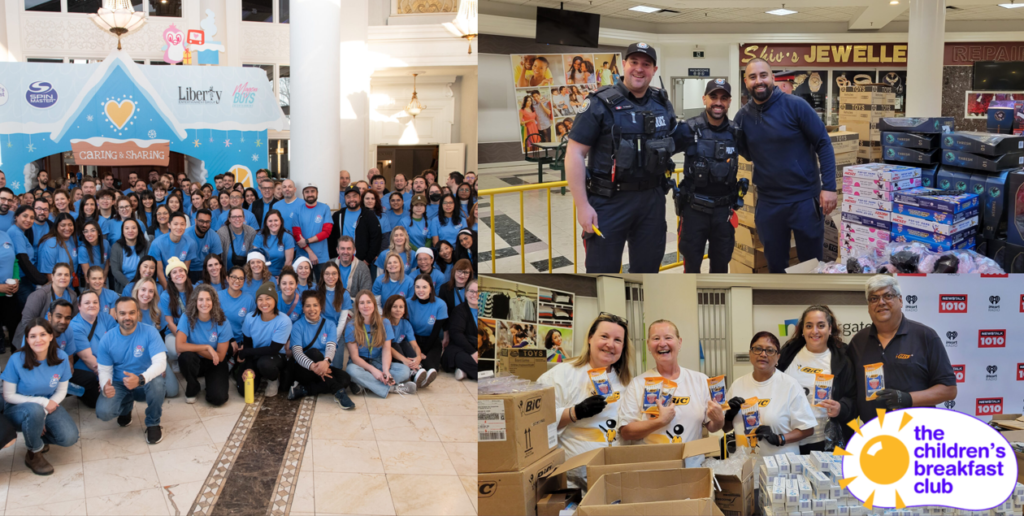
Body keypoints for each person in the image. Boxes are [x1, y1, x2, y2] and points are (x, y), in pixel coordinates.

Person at [566, 43, 678, 273]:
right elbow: (574, 153)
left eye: (646, 64)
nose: (639, 69)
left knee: (648, 273)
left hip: (652, 201)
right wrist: (582, 206)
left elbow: (675, 140)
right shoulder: (598, 103)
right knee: (602, 272)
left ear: (654, 69)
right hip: (608, 201)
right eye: (634, 62)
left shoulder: (662, 104)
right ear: (624, 65)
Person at [736, 58, 837, 272]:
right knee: (775, 266)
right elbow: (745, 151)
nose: (759, 81)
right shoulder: (742, 117)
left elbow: (823, 143)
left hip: (804, 201)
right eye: (752, 77)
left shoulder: (796, 106)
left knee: (811, 264)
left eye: (763, 75)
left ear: (773, 78)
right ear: (746, 82)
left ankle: (812, 304)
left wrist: (829, 187)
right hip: (769, 203)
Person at [536, 313, 632, 485]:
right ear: (590, 338)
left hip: (615, 477)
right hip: (571, 480)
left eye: (618, 340)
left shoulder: (628, 383)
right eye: (604, 336)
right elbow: (536, 423)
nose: (610, 344)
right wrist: (575, 412)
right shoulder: (560, 375)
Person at [847, 276, 957, 424]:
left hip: (917, 434)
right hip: (874, 435)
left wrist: (907, 398)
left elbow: (949, 390)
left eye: (888, 296)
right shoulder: (858, 341)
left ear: (900, 300)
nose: (881, 302)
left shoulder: (925, 336)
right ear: (868, 306)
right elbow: (851, 392)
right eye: (874, 298)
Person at [619, 320, 724, 462]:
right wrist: (660, 421)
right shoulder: (638, 384)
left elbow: (712, 427)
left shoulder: (700, 380)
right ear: (648, 345)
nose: (662, 343)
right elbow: (626, 432)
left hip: (692, 470)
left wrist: (719, 419)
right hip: (651, 472)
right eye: (656, 338)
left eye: (668, 337)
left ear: (679, 342)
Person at [675, 79, 745, 273]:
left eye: (723, 98)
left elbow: (759, 155)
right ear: (704, 98)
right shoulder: (688, 129)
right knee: (691, 268)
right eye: (713, 97)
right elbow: (663, 152)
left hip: (724, 212)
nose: (718, 102)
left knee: (721, 267)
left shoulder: (736, 132)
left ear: (730, 101)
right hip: (694, 211)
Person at [1, 318, 79, 475]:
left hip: (47, 406)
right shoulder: (17, 359)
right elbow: (8, 395)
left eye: (43, 334)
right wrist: (42, 404)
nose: (38, 340)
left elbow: (62, 391)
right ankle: (33, 453)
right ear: (27, 340)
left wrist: (43, 412)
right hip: (17, 408)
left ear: (51, 336)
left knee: (69, 437)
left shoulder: (61, 357)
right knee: (35, 411)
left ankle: (35, 436)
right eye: (33, 336)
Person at [777, 305, 856, 453]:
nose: (814, 331)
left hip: (824, 441)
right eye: (809, 326)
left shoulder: (843, 359)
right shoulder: (787, 354)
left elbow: (854, 398)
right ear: (802, 330)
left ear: (830, 329)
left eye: (821, 325)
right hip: (788, 438)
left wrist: (841, 407)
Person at [723, 332, 817, 457]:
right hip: (745, 465)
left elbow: (807, 429)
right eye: (757, 349)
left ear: (778, 357)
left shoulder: (790, 385)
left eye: (770, 350)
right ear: (750, 353)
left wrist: (779, 438)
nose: (763, 354)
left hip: (780, 466)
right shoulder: (737, 385)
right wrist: (729, 416)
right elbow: (726, 428)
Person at [94, 297, 168, 444]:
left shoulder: (150, 332)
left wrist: (140, 379)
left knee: (158, 383)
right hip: (119, 383)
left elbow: (160, 363)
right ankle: (126, 408)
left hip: (144, 381)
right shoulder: (107, 339)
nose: (127, 317)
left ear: (138, 313)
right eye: (122, 313)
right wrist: (105, 386)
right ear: (115, 315)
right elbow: (104, 369)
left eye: (131, 312)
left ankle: (153, 423)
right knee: (104, 412)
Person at [286, 290, 355, 409]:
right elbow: (297, 353)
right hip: (302, 369)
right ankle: (338, 392)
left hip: (323, 365)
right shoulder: (297, 326)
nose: (312, 309)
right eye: (308, 306)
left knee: (345, 379)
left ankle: (303, 390)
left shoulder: (329, 324)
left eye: (315, 305)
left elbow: (331, 347)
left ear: (320, 307)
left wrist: (326, 362)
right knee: (315, 353)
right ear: (303, 308)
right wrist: (313, 366)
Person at [344, 290, 414, 397]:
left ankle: (366, 383)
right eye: (362, 303)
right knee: (350, 371)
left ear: (374, 304)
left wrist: (386, 371)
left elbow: (386, 349)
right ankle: (392, 388)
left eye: (368, 302)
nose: (365, 306)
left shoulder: (385, 322)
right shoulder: (351, 326)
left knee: (404, 371)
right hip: (360, 363)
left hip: (379, 360)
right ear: (357, 306)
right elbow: (354, 358)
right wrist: (374, 371)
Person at [175, 285, 231, 406]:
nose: (204, 303)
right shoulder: (186, 317)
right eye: (200, 299)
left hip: (214, 361)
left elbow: (220, 356)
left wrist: (194, 348)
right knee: (186, 357)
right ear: (195, 301)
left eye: (208, 299)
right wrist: (206, 347)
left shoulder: (223, 321)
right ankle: (193, 385)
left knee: (219, 399)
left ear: (214, 302)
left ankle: (211, 383)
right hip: (194, 361)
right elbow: (179, 346)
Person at [234, 282, 291, 398]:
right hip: (255, 355)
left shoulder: (284, 321)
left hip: (275, 357)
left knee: (265, 364)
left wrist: (245, 352)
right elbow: (248, 344)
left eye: (268, 299)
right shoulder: (250, 318)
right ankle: (256, 373)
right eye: (260, 299)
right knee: (244, 391)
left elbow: (273, 350)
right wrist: (249, 367)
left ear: (275, 301)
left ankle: (273, 379)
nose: (264, 303)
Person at [66, 292, 114, 409]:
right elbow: (88, 358)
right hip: (89, 369)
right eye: (87, 303)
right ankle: (79, 392)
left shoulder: (106, 318)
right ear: (79, 306)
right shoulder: (75, 326)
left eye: (95, 302)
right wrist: (105, 378)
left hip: (108, 364)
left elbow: (117, 344)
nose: (91, 305)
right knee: (99, 403)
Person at [13, 263, 77, 347]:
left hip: (60, 339)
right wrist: (42, 337)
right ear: (52, 277)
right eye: (59, 274)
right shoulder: (39, 295)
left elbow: (74, 319)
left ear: (70, 278)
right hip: (35, 340)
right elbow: (27, 321)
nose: (63, 277)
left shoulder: (72, 295)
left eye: (66, 275)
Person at [383, 294, 434, 388]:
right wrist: (405, 360)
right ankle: (415, 372)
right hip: (386, 354)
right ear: (388, 308)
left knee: (405, 344)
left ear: (404, 310)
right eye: (394, 307)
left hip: (401, 354)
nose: (398, 310)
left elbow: (414, 345)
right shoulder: (385, 322)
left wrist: (418, 357)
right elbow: (386, 347)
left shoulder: (405, 323)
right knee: (395, 344)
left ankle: (418, 370)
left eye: (401, 307)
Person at [329, 186, 381, 271]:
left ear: (360, 198)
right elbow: (331, 240)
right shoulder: (337, 215)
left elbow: (376, 239)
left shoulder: (369, 215)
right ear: (345, 198)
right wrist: (334, 259)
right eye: (348, 197)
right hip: (340, 262)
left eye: (354, 196)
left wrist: (367, 261)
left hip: (362, 262)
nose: (351, 199)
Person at [406, 274, 447, 378]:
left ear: (431, 288)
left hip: (431, 341)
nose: (421, 290)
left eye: (424, 287)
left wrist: (423, 352)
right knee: (414, 364)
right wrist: (418, 353)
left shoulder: (440, 304)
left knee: (431, 367)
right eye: (417, 287)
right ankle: (416, 375)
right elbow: (407, 329)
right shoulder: (407, 303)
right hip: (413, 341)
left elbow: (436, 331)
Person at [287, 184, 333, 273]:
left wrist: (307, 241)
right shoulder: (297, 210)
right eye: (307, 192)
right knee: (304, 285)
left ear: (317, 193)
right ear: (303, 194)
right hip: (303, 257)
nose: (310, 194)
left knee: (322, 285)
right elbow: (297, 236)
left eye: (312, 191)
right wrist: (310, 252)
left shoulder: (325, 208)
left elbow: (326, 232)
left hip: (321, 257)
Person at [443, 278, 478, 381]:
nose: (474, 294)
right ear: (466, 293)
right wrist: (473, 353)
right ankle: (484, 376)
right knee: (462, 358)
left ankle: (465, 372)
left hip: (478, 346)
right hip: (460, 347)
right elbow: (456, 334)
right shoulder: (459, 310)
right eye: (471, 291)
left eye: (477, 292)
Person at [150, 213, 197, 289]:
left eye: (182, 224)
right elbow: (159, 271)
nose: (179, 227)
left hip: (179, 278)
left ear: (185, 226)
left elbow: (185, 269)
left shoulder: (190, 243)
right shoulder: (157, 243)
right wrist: (168, 290)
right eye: (175, 224)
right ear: (169, 225)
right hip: (161, 281)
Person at [220, 266, 256, 349]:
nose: (237, 281)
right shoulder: (218, 296)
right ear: (227, 278)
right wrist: (230, 339)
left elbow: (252, 324)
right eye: (234, 277)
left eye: (241, 278)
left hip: (241, 342)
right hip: (221, 339)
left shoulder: (249, 299)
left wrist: (245, 343)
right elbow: (214, 321)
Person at [184, 209, 224, 284]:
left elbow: (217, 258)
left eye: (207, 222)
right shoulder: (185, 235)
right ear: (195, 221)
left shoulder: (214, 236)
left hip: (206, 269)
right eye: (201, 221)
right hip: (188, 269)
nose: (204, 225)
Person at [253, 210, 295, 277]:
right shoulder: (259, 236)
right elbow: (255, 258)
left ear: (281, 222)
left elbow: (288, 262)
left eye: (276, 220)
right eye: (270, 221)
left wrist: (281, 277)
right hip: (262, 274)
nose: (273, 223)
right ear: (266, 223)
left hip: (279, 275)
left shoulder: (287, 237)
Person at [37, 214, 79, 282]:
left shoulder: (72, 239)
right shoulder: (51, 242)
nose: (67, 228)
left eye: (70, 225)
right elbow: (48, 272)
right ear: (57, 226)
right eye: (63, 225)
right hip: (57, 287)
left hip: (71, 287)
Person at [0, 223, 22, 353]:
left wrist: (16, 279)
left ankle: (16, 364)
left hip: (9, 295)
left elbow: (14, 261)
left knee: (15, 330)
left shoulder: (5, 235)